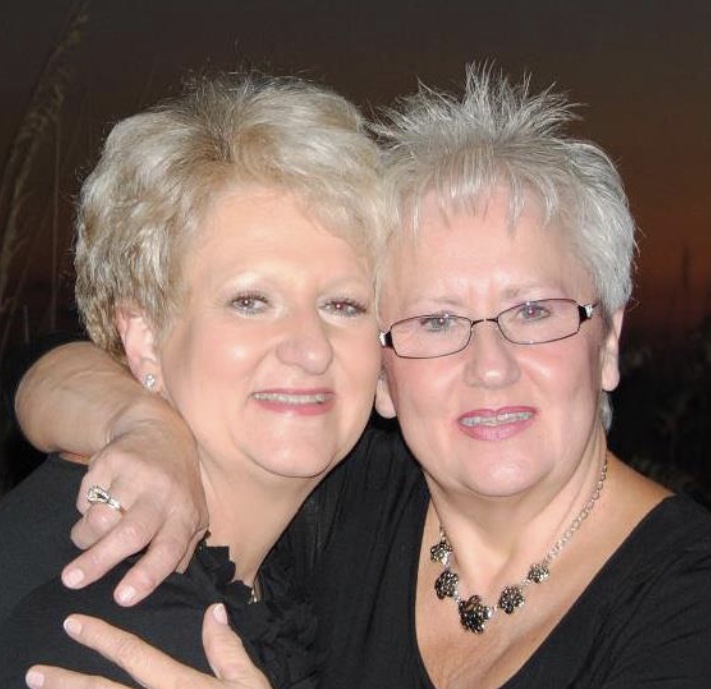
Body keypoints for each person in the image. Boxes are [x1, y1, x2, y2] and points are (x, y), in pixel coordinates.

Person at [12, 66, 711, 689]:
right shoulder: (327, 510)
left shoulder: (685, 604)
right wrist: (138, 422)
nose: (490, 366)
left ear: (609, 339)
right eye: (436, 319)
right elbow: (38, 359)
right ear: (385, 370)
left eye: (533, 311)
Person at [0, 71, 386, 688]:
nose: (311, 349)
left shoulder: (260, 570)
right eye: (250, 301)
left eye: (344, 305)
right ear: (145, 337)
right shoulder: (130, 620)